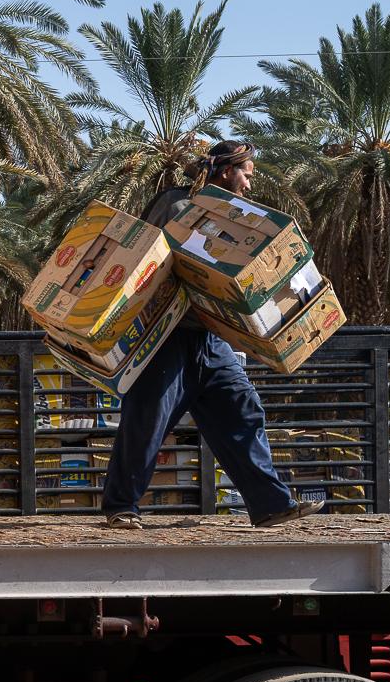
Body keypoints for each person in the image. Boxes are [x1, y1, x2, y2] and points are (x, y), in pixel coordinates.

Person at [99, 140, 325, 529]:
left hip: (212, 339)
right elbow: (143, 256)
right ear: (225, 171)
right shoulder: (175, 203)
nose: (249, 185)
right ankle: (121, 506)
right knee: (148, 420)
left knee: (243, 410)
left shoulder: (243, 218)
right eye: (247, 175)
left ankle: (270, 504)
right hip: (167, 338)